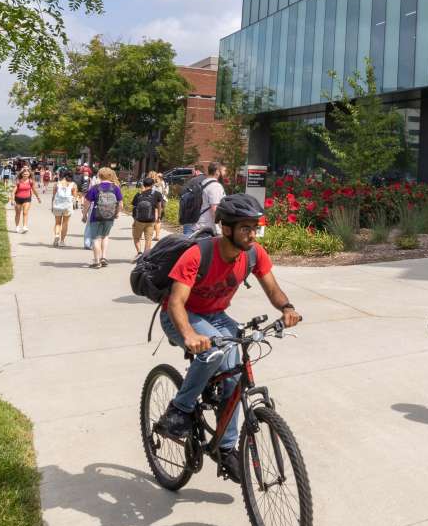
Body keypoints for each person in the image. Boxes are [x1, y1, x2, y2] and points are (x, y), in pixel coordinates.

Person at [152, 194, 303, 483]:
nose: (252, 233)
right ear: (227, 229)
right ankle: (179, 411)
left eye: (254, 227)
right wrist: (190, 335)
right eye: (245, 227)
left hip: (217, 315)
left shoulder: (254, 253)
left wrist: (287, 308)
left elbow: (273, 289)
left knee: (236, 376)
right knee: (212, 353)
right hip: (182, 315)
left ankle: (225, 448)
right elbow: (175, 303)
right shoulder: (198, 255)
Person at [83, 167, 122, 268]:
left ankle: (97, 261)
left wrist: (84, 214)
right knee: (105, 236)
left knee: (96, 238)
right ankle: (103, 257)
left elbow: (86, 203)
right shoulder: (115, 188)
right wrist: (117, 213)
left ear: (99, 176)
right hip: (110, 216)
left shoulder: (95, 188)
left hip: (96, 216)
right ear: (110, 176)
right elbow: (120, 204)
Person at [183, 163, 225, 236]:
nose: (225, 173)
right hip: (207, 229)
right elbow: (215, 209)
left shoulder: (204, 182)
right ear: (217, 172)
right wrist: (222, 227)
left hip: (198, 225)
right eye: (224, 170)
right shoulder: (215, 186)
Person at [130, 177, 165, 258]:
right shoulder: (157, 194)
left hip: (139, 220)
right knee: (148, 239)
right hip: (151, 220)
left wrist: (134, 220)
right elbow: (160, 207)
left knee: (136, 237)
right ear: (152, 185)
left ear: (143, 184)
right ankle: (145, 255)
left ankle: (139, 252)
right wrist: (159, 217)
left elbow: (134, 208)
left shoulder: (138, 194)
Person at [50, 172, 78, 246]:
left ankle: (56, 235)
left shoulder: (57, 184)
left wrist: (52, 206)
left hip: (57, 205)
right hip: (67, 206)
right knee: (65, 223)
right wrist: (74, 206)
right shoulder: (73, 185)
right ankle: (62, 241)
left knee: (57, 223)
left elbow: (53, 196)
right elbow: (75, 197)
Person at [9, 168, 41, 234]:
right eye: (24, 174)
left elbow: (34, 190)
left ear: (29, 174)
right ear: (22, 174)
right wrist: (12, 200)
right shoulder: (18, 181)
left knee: (25, 212)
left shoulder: (31, 181)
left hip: (27, 199)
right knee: (18, 213)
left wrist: (38, 197)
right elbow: (13, 191)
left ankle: (25, 227)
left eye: (27, 174)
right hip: (18, 199)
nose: (25, 175)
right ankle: (17, 226)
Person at [148, 170, 168, 240]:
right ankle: (157, 235)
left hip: (154, 202)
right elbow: (165, 193)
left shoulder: (153, 185)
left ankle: (150, 234)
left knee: (153, 219)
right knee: (158, 220)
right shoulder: (162, 184)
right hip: (161, 201)